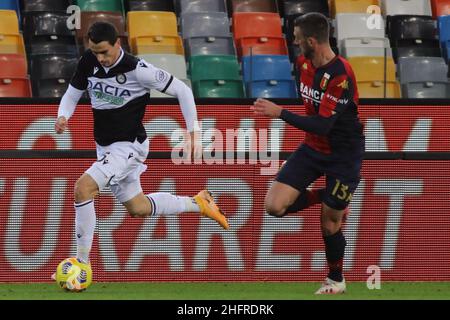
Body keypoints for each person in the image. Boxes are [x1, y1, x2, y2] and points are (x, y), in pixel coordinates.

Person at [53, 22, 229, 271]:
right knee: (138, 207)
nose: (100, 58)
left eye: (104, 51)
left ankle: (81, 263)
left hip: (128, 146)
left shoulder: (138, 69)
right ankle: (199, 203)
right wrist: (63, 116)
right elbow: (72, 93)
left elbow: (183, 90)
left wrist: (194, 133)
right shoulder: (88, 62)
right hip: (106, 147)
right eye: (95, 52)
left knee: (83, 189)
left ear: (117, 43)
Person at [251, 13, 365, 294]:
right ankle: (327, 197)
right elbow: (316, 125)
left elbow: (325, 124)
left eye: (298, 38)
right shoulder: (302, 62)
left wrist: (280, 113)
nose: (294, 41)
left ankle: (336, 280)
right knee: (274, 207)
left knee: (329, 223)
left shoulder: (341, 75)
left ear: (312, 41)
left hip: (343, 154)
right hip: (313, 147)